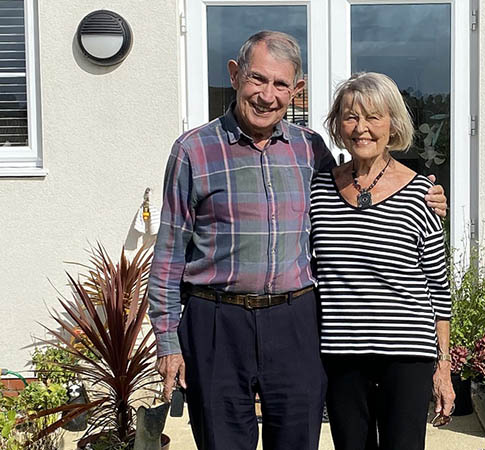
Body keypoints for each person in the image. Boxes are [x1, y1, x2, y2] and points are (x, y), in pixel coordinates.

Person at [148, 31, 448, 450]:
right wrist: (167, 341)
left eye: (281, 84)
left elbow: (362, 197)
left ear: (296, 90)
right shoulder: (193, 150)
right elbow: (168, 254)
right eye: (257, 79)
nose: (267, 95)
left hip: (295, 323)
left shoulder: (310, 150)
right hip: (216, 321)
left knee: (298, 439)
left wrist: (424, 193)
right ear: (235, 75)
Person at [309, 72, 455, 450]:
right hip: (341, 355)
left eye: (374, 117)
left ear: (393, 124)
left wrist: (443, 367)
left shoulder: (421, 194)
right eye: (351, 117)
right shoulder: (319, 189)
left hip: (406, 358)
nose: (362, 128)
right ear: (338, 125)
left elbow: (439, 288)